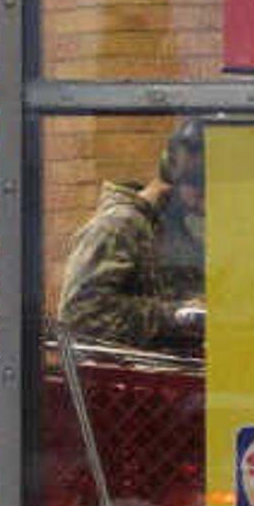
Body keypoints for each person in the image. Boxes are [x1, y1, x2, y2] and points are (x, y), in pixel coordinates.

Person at [54, 120, 205, 353]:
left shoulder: (175, 230)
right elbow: (80, 317)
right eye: (199, 191)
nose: (202, 207)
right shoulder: (119, 225)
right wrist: (177, 315)